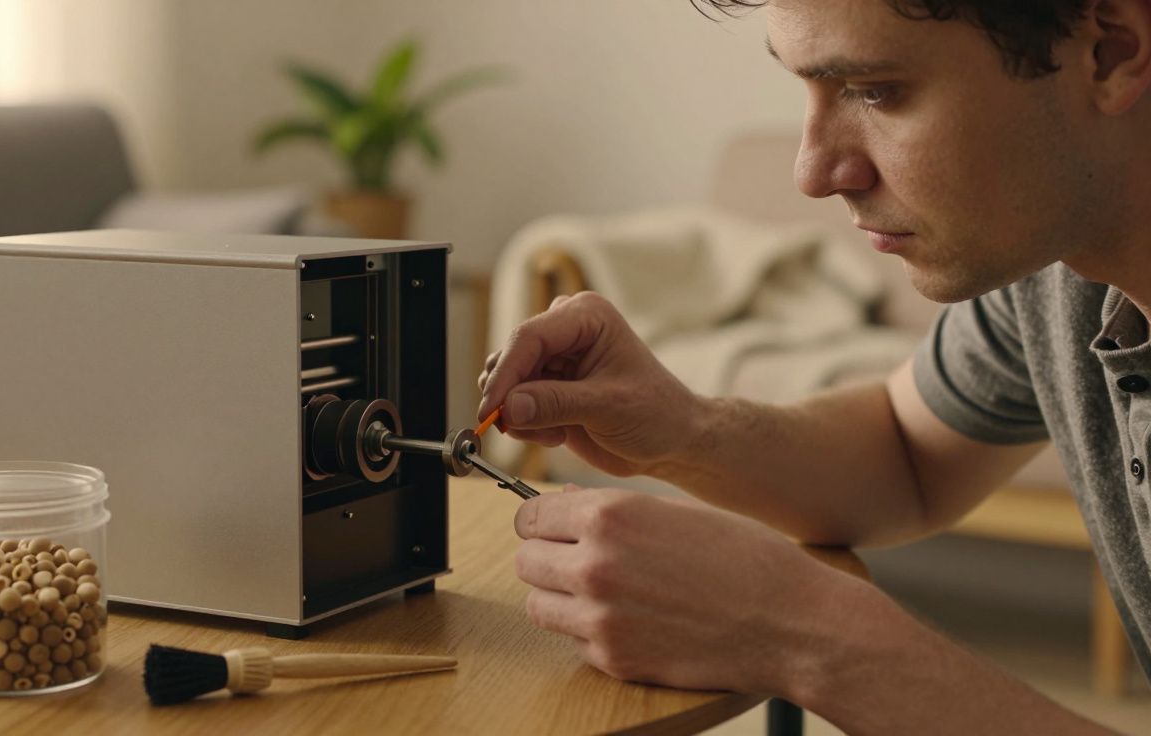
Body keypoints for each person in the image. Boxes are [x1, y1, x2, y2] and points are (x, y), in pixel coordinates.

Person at [477, 0, 1151, 733]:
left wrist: (803, 634)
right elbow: (906, 455)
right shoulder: (1054, 271)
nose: (813, 173)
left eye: (876, 91)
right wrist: (683, 428)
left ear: (1111, 51)